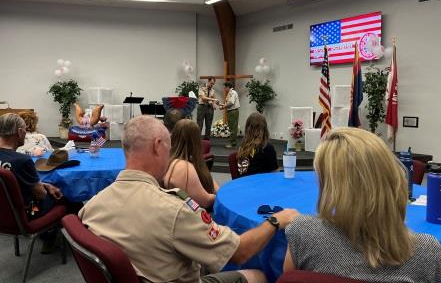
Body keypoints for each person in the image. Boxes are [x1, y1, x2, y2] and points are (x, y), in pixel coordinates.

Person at [79, 115, 299, 283]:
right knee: (259, 275)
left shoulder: (92, 206)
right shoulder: (175, 211)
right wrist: (277, 220)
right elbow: (240, 252)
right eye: (168, 145)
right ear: (158, 146)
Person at [283, 127, 441, 282]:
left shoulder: (303, 232)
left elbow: (289, 278)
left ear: (332, 186)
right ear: (393, 176)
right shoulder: (428, 252)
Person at [0, 113, 64, 253]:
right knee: (65, 195)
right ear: (20, 132)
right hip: (27, 214)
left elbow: (14, 183)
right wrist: (47, 187)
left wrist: (43, 184)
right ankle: (51, 238)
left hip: (3, 216)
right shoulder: (21, 161)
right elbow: (40, 195)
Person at [164, 119, 218, 209]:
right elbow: (205, 201)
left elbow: (212, 185)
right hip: (193, 215)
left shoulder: (170, 159)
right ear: (196, 140)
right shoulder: (183, 166)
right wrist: (222, 197)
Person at [237, 113, 278, 177]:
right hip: (260, 184)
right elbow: (275, 172)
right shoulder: (267, 147)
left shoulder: (243, 146)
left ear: (247, 128)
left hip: (243, 183)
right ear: (264, 128)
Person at [220, 82, 240, 148]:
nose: (224, 89)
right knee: (232, 127)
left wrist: (223, 107)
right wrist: (221, 105)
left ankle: (232, 143)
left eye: (225, 87)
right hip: (231, 111)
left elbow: (231, 102)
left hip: (233, 111)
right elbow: (228, 103)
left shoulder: (233, 92)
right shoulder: (229, 93)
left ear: (228, 87)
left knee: (233, 127)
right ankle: (233, 142)